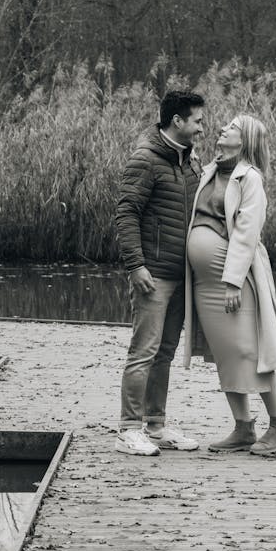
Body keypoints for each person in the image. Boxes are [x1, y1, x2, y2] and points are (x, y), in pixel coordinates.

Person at [184, 114, 276, 456]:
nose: (222, 129)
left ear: (244, 139)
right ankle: (244, 427)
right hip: (203, 280)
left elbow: (247, 233)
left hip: (233, 277)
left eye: (231, 127)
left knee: (248, 350)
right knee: (224, 352)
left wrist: (232, 282)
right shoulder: (209, 170)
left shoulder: (251, 179)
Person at [115, 90, 205, 455]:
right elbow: (126, 214)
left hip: (181, 275)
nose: (202, 127)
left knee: (164, 353)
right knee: (143, 352)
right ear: (177, 121)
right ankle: (128, 430)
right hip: (153, 275)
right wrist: (136, 266)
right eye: (197, 121)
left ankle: (155, 425)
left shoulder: (188, 161)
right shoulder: (146, 160)